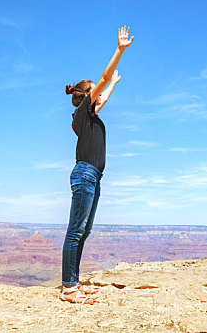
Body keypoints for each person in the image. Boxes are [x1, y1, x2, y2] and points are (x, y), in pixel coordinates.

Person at [61, 26, 134, 304]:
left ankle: (74, 283)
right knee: (75, 230)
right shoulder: (81, 113)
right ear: (85, 97)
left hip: (94, 177)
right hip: (85, 175)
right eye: (96, 92)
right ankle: (69, 289)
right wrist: (120, 50)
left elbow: (103, 95)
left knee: (84, 231)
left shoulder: (88, 116)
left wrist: (113, 84)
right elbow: (101, 79)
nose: (100, 94)